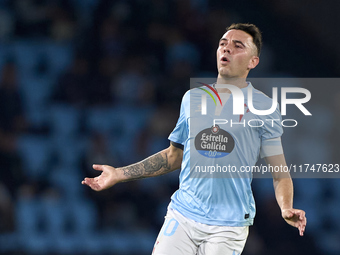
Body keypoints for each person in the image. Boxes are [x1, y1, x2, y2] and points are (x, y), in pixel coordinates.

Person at [82, 23, 307, 255]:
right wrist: (119, 174)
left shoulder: (265, 107)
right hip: (183, 214)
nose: (226, 49)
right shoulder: (193, 98)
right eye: (223, 44)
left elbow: (280, 172)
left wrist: (286, 207)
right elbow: (173, 155)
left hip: (228, 226)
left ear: (253, 61)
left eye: (237, 45)